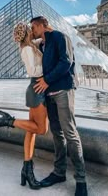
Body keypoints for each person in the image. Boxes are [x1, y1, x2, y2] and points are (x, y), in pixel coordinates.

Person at [30, 16, 88, 196]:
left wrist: (46, 80)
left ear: (41, 25)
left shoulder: (60, 37)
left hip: (62, 90)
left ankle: (81, 180)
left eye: (33, 28)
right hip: (49, 94)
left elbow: (66, 62)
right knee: (57, 133)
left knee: (70, 133)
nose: (32, 31)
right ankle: (59, 172)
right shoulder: (42, 45)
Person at [0, 22, 48, 190]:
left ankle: (27, 169)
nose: (33, 31)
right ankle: (9, 121)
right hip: (37, 88)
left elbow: (41, 41)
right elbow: (33, 71)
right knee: (41, 129)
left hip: (37, 88)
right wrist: (49, 64)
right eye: (30, 30)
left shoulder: (31, 45)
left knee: (31, 131)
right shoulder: (27, 49)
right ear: (26, 33)